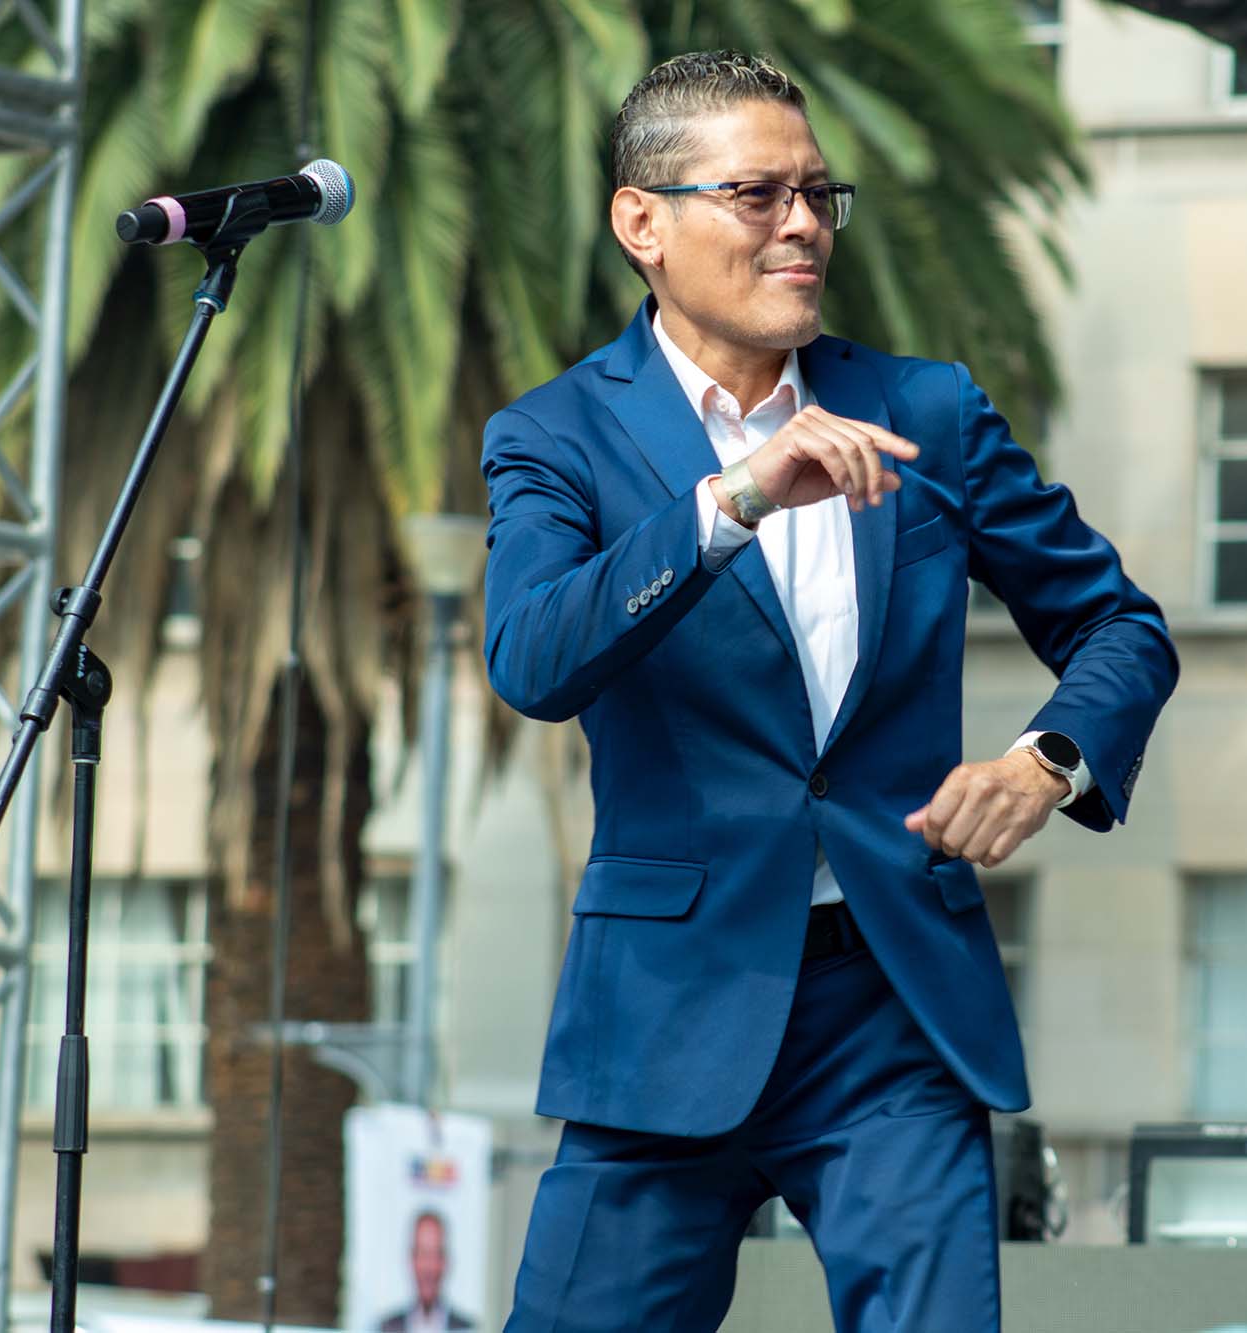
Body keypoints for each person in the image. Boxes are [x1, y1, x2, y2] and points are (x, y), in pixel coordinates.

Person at [481, 49, 1177, 1333]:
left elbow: (1117, 624)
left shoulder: (927, 411)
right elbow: (532, 659)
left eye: (816, 194)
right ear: (643, 221)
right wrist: (731, 501)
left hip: (888, 1002)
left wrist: (1045, 760)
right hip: (665, 1009)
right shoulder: (554, 435)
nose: (801, 224)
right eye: (757, 195)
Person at [377, 1211, 475, 1333]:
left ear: (445, 1262)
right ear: (412, 1260)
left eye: (435, 1254)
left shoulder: (468, 1328)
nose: (428, 1267)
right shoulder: (386, 1327)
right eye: (423, 1254)